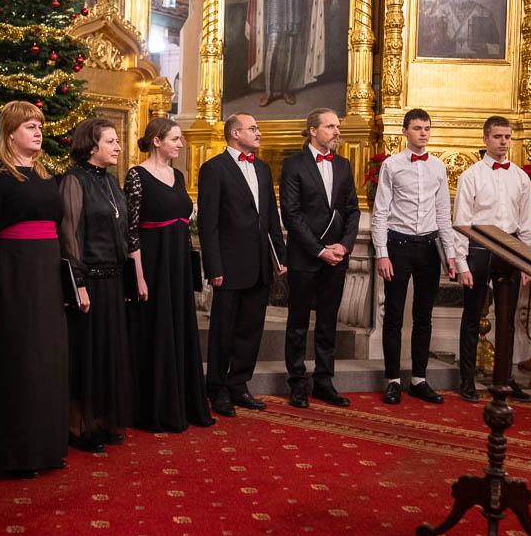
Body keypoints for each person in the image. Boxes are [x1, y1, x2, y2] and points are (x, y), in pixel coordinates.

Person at [0, 102, 69, 474]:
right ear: (10, 132)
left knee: (48, 359)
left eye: (40, 126)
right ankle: (15, 453)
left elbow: (57, 228)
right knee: (20, 361)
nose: (38, 132)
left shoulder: (45, 174)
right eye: (30, 126)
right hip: (13, 274)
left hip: (46, 273)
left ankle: (46, 447)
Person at [124, 119, 214, 432]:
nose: (181, 144)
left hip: (177, 266)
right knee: (155, 332)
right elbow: (131, 232)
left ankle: (181, 405)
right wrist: (138, 277)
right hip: (152, 265)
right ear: (157, 141)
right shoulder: (136, 175)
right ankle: (153, 410)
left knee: (179, 330)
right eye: (175, 138)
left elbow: (183, 225)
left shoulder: (178, 175)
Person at [197, 113, 287, 417]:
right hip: (229, 266)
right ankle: (217, 388)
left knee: (251, 329)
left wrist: (280, 257)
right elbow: (208, 223)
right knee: (223, 331)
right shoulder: (214, 169)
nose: (258, 132)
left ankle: (239, 384)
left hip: (260, 264)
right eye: (253, 128)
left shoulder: (262, 168)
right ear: (235, 133)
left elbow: (270, 216)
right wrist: (214, 268)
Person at [371, 108, 457, 405]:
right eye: (418, 128)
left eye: (427, 128)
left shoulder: (438, 167)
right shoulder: (391, 165)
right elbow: (380, 213)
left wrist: (450, 254)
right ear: (405, 131)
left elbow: (443, 214)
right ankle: (393, 380)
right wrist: (382, 254)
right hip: (398, 246)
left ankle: (419, 378)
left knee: (424, 316)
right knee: (394, 315)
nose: (423, 133)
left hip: (429, 248)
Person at [59, 118, 134, 451]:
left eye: (117, 141)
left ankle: (101, 421)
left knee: (107, 353)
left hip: (113, 280)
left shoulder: (112, 181)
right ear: (92, 146)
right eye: (111, 141)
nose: (118, 147)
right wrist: (78, 282)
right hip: (88, 279)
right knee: (86, 354)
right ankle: (78, 426)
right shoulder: (74, 180)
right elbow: (70, 235)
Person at [452, 116, 531, 403]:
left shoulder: (520, 177)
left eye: (507, 137)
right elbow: (461, 222)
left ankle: (505, 379)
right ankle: (467, 379)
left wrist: (528, 262)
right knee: (472, 316)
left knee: (506, 320)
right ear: (485, 139)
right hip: (479, 248)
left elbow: (527, 223)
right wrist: (461, 264)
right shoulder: (471, 175)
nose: (503, 142)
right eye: (498, 136)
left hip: (511, 250)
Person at [279, 108, 360, 409]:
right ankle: (297, 384)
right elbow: (291, 214)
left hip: (336, 257)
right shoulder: (293, 165)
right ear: (313, 130)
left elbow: (352, 210)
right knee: (298, 323)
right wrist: (319, 250)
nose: (337, 131)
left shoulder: (343, 164)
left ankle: (324, 382)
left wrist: (344, 246)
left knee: (328, 322)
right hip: (305, 257)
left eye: (337, 126)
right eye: (330, 126)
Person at [419, 0, 501, 59]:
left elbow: (499, 49)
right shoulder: (439, 11)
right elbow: (425, 45)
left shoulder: (484, 14)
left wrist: (485, 47)